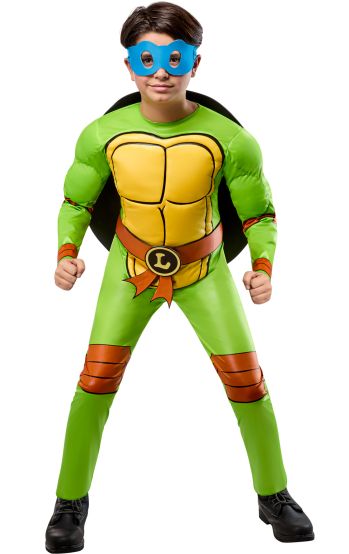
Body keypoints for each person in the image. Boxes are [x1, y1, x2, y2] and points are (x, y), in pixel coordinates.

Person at [45, 2, 314, 552]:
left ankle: (274, 493)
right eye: (147, 58)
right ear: (129, 65)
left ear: (196, 62)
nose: (161, 72)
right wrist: (66, 252)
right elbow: (76, 201)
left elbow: (259, 213)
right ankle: (69, 501)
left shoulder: (230, 139)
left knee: (248, 384)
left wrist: (263, 265)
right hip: (130, 269)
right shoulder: (102, 134)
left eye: (175, 58)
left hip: (204, 269)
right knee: (94, 384)